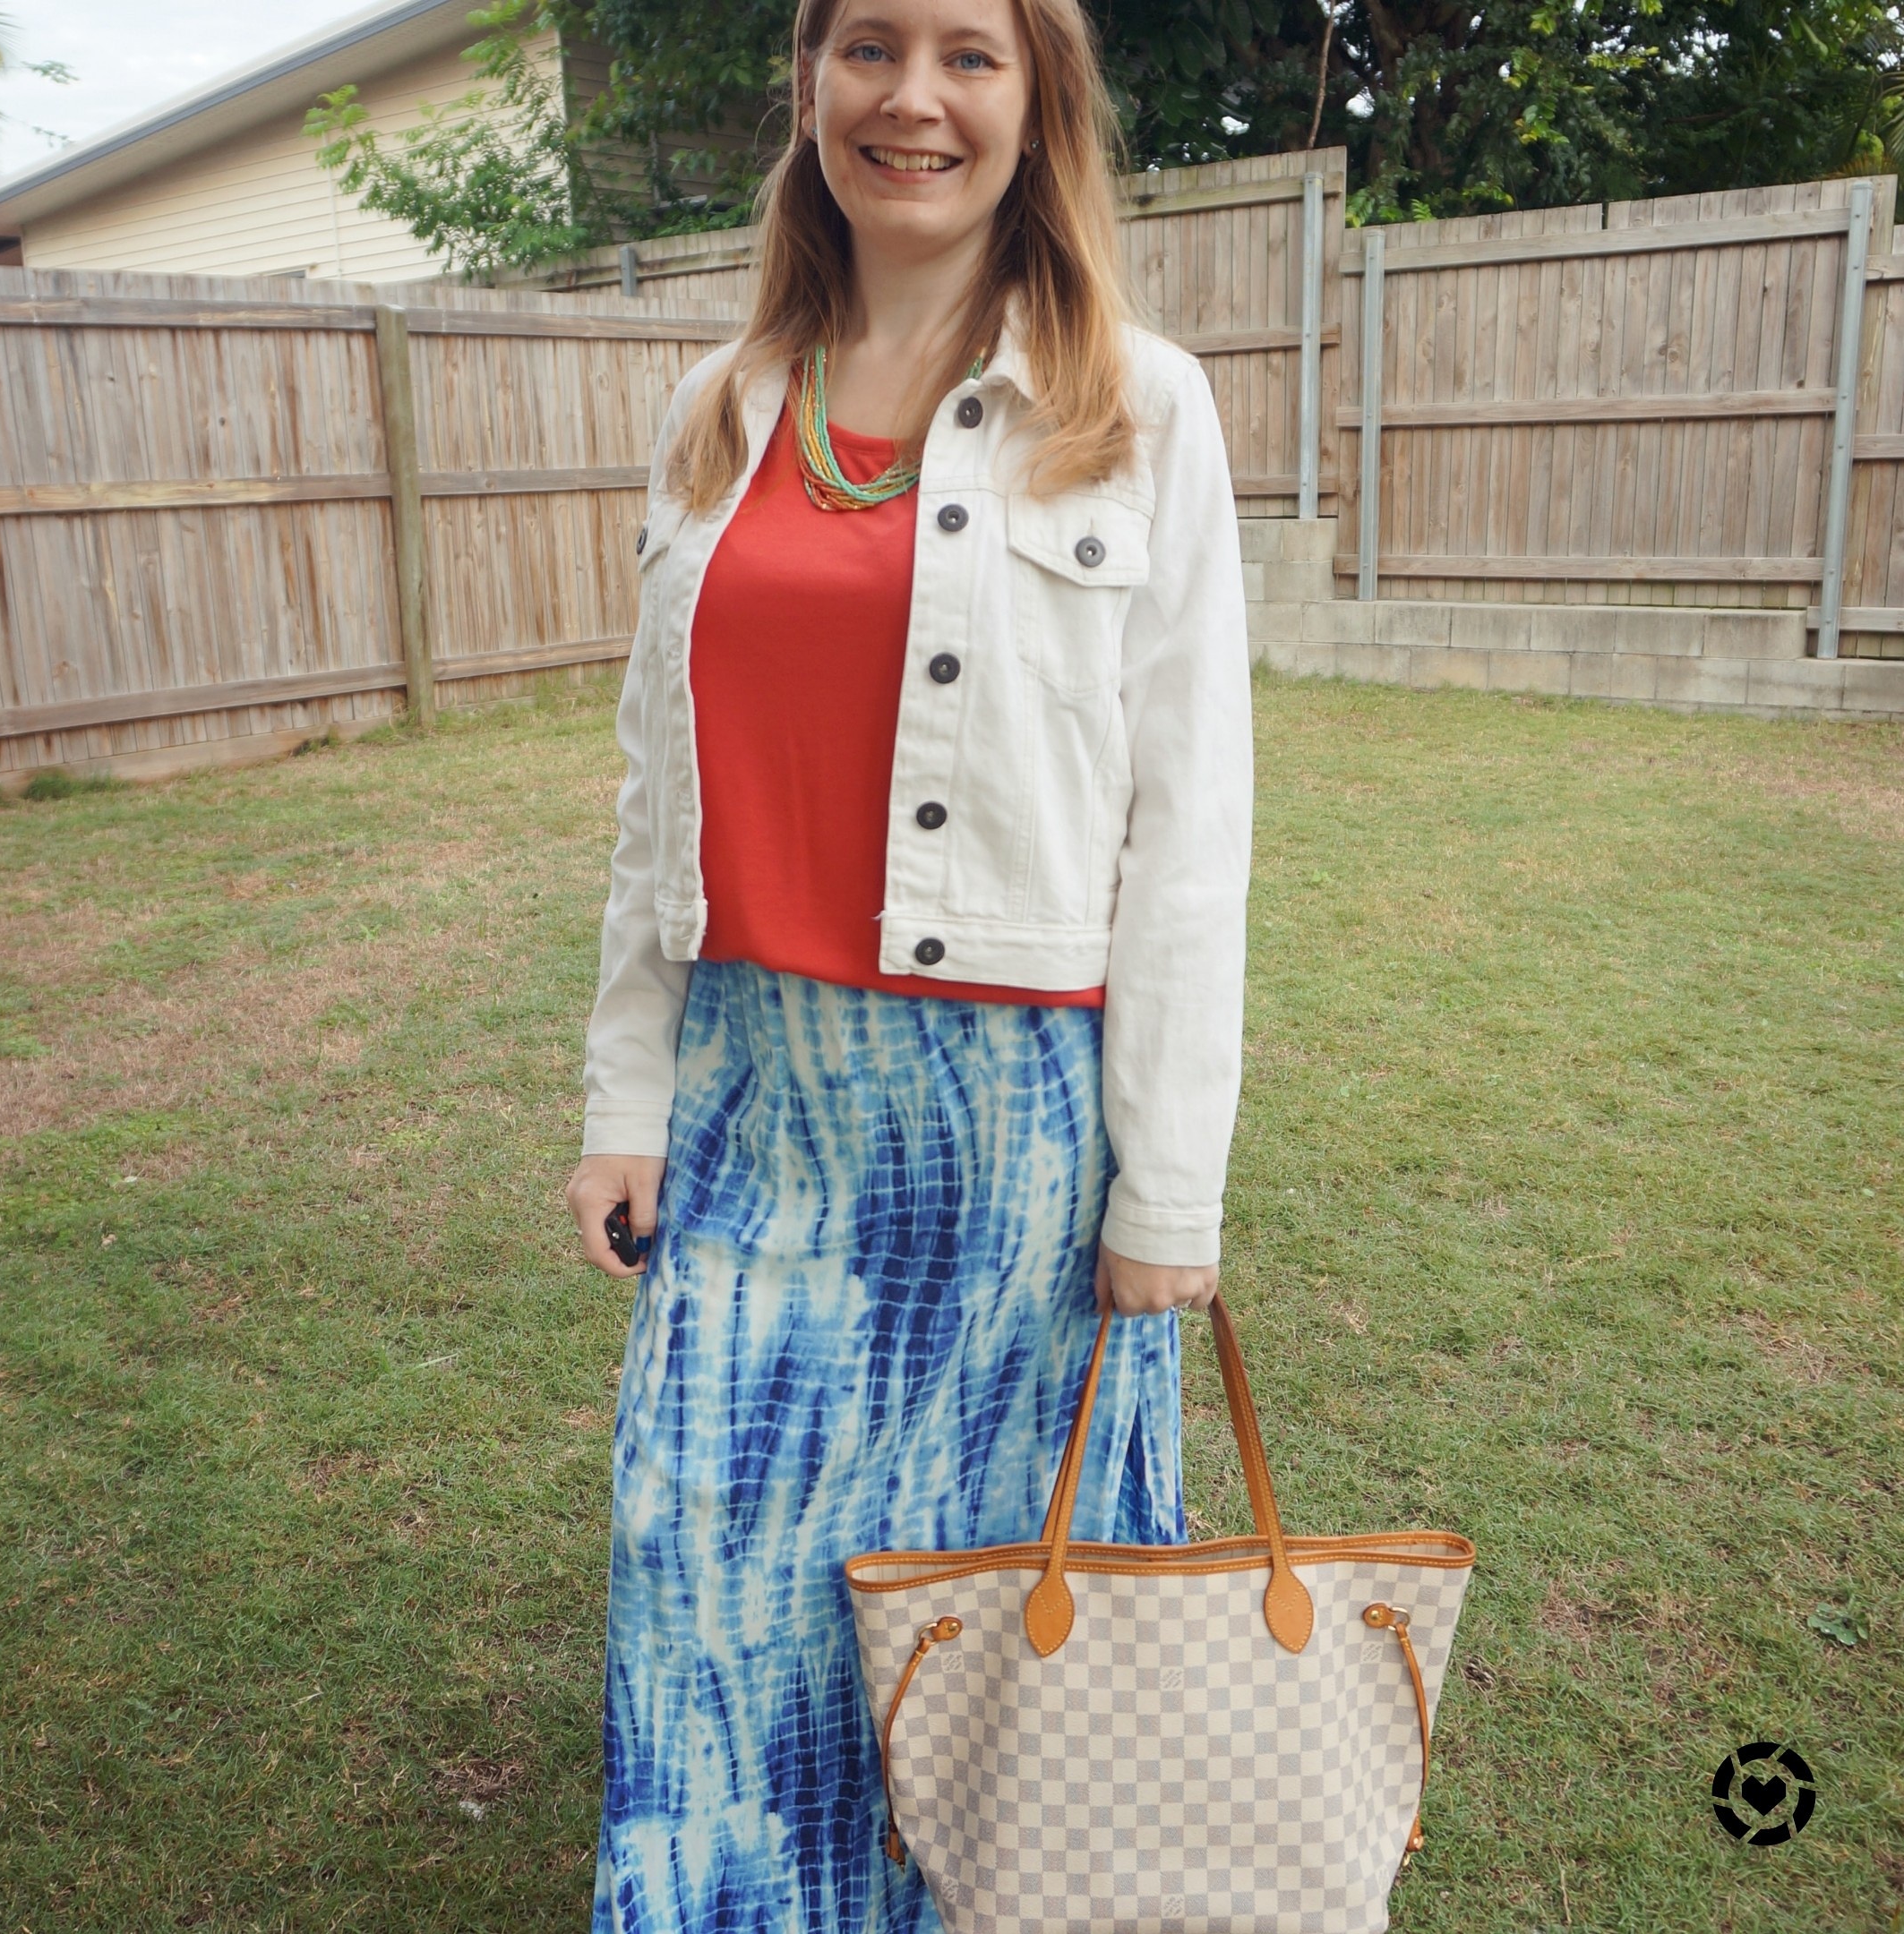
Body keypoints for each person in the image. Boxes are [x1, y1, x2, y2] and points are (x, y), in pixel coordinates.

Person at [564, 0, 1251, 1922]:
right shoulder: (718, 406)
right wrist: (625, 1097)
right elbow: (655, 794)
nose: (914, 99)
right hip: (751, 1091)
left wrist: (1168, 1191)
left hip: (1018, 1134)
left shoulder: (1140, 405)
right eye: (871, 46)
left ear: (1039, 110)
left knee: (995, 1612)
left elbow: (1190, 833)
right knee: (712, 1560)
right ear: (809, 87)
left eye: (971, 54)